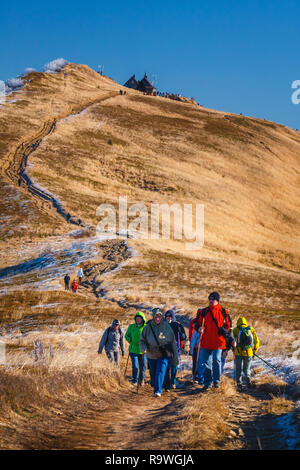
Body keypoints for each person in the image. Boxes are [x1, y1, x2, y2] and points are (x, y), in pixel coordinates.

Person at [196, 292, 231, 390]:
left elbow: (229, 326)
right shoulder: (203, 311)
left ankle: (216, 381)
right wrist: (199, 328)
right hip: (206, 342)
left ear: (217, 301)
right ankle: (207, 383)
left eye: (213, 299)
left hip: (218, 342)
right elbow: (196, 323)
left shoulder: (224, 312)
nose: (210, 301)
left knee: (216, 360)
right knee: (206, 363)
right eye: (209, 299)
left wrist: (225, 330)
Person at [140, 309, 179, 397]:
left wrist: (175, 357)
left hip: (164, 353)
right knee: (153, 373)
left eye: (159, 317)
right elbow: (142, 340)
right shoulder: (147, 327)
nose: (157, 318)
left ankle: (158, 391)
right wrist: (143, 348)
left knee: (160, 371)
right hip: (151, 354)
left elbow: (173, 342)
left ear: (161, 317)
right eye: (156, 317)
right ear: (153, 317)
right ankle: (160, 385)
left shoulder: (166, 326)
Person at [233, 316, 259, 391]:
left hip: (238, 352)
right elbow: (256, 341)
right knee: (247, 368)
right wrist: (254, 350)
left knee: (238, 369)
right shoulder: (251, 329)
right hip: (249, 353)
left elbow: (231, 341)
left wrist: (233, 350)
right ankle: (248, 380)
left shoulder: (235, 330)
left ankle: (239, 384)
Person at [163, 310, 186, 390]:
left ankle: (172, 382)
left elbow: (183, 337)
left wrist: (180, 330)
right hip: (165, 348)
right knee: (166, 366)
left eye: (170, 316)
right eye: (167, 316)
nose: (168, 318)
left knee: (174, 366)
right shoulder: (162, 325)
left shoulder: (177, 325)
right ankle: (166, 382)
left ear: (173, 317)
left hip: (175, 348)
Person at [125, 312, 147, 386]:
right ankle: (135, 380)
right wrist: (130, 340)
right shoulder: (132, 327)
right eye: (136, 318)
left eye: (139, 318)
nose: (137, 319)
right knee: (135, 366)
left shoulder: (146, 327)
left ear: (142, 319)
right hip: (133, 350)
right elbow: (126, 335)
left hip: (143, 350)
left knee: (143, 367)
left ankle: (142, 379)